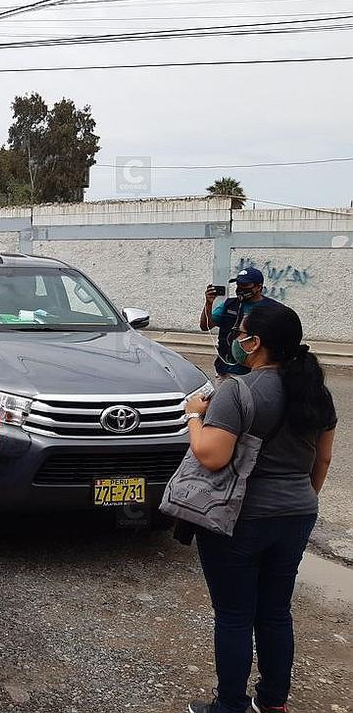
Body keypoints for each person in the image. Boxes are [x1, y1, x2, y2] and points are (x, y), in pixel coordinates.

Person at [183, 304, 336, 713]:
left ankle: (229, 705)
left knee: (234, 616)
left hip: (239, 517)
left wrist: (194, 418)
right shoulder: (315, 391)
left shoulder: (238, 390)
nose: (236, 339)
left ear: (256, 343)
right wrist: (303, 501)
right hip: (297, 513)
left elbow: (211, 456)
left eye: (241, 332)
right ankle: (272, 703)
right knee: (275, 612)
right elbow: (322, 460)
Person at [201, 267, 280, 379]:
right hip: (225, 369)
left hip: (253, 374)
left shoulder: (272, 308)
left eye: (245, 286)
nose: (240, 289)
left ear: (258, 287)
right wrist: (208, 304)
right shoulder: (229, 304)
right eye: (238, 285)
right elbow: (205, 326)